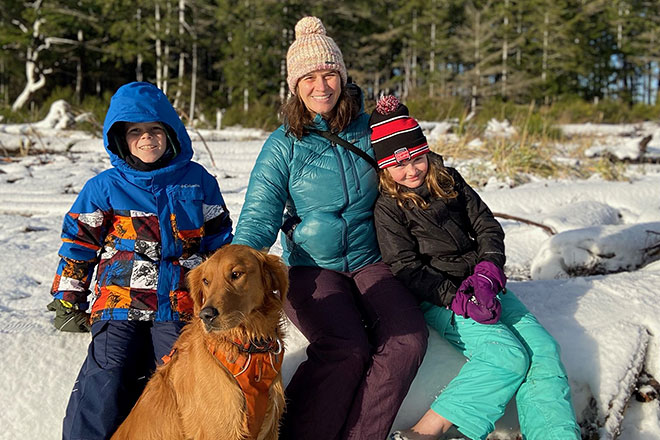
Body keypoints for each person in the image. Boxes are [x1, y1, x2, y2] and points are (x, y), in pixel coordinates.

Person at [232, 16, 428, 440]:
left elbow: (413, 169)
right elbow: (260, 214)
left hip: (373, 260)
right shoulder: (283, 145)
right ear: (295, 86)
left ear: (342, 76)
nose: (321, 86)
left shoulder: (369, 129)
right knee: (345, 347)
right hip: (311, 268)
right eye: (310, 78)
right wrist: (235, 272)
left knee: (407, 341)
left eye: (329, 74)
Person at [370, 95, 581, 440]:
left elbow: (486, 226)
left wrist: (488, 271)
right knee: (506, 357)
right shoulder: (388, 208)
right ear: (385, 168)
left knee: (544, 351)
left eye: (417, 159)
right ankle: (425, 432)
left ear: (425, 151)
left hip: (483, 283)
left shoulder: (450, 180)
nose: (411, 171)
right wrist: (458, 300)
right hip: (442, 299)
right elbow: (406, 267)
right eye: (398, 165)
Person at [48, 81, 233, 440]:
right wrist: (68, 298)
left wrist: (224, 296)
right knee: (107, 374)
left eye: (155, 130)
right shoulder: (104, 187)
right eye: (135, 131)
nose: (147, 139)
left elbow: (218, 242)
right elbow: (79, 243)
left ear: (171, 133)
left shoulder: (197, 181)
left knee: (179, 377)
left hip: (180, 303)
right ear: (120, 139)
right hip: (119, 300)